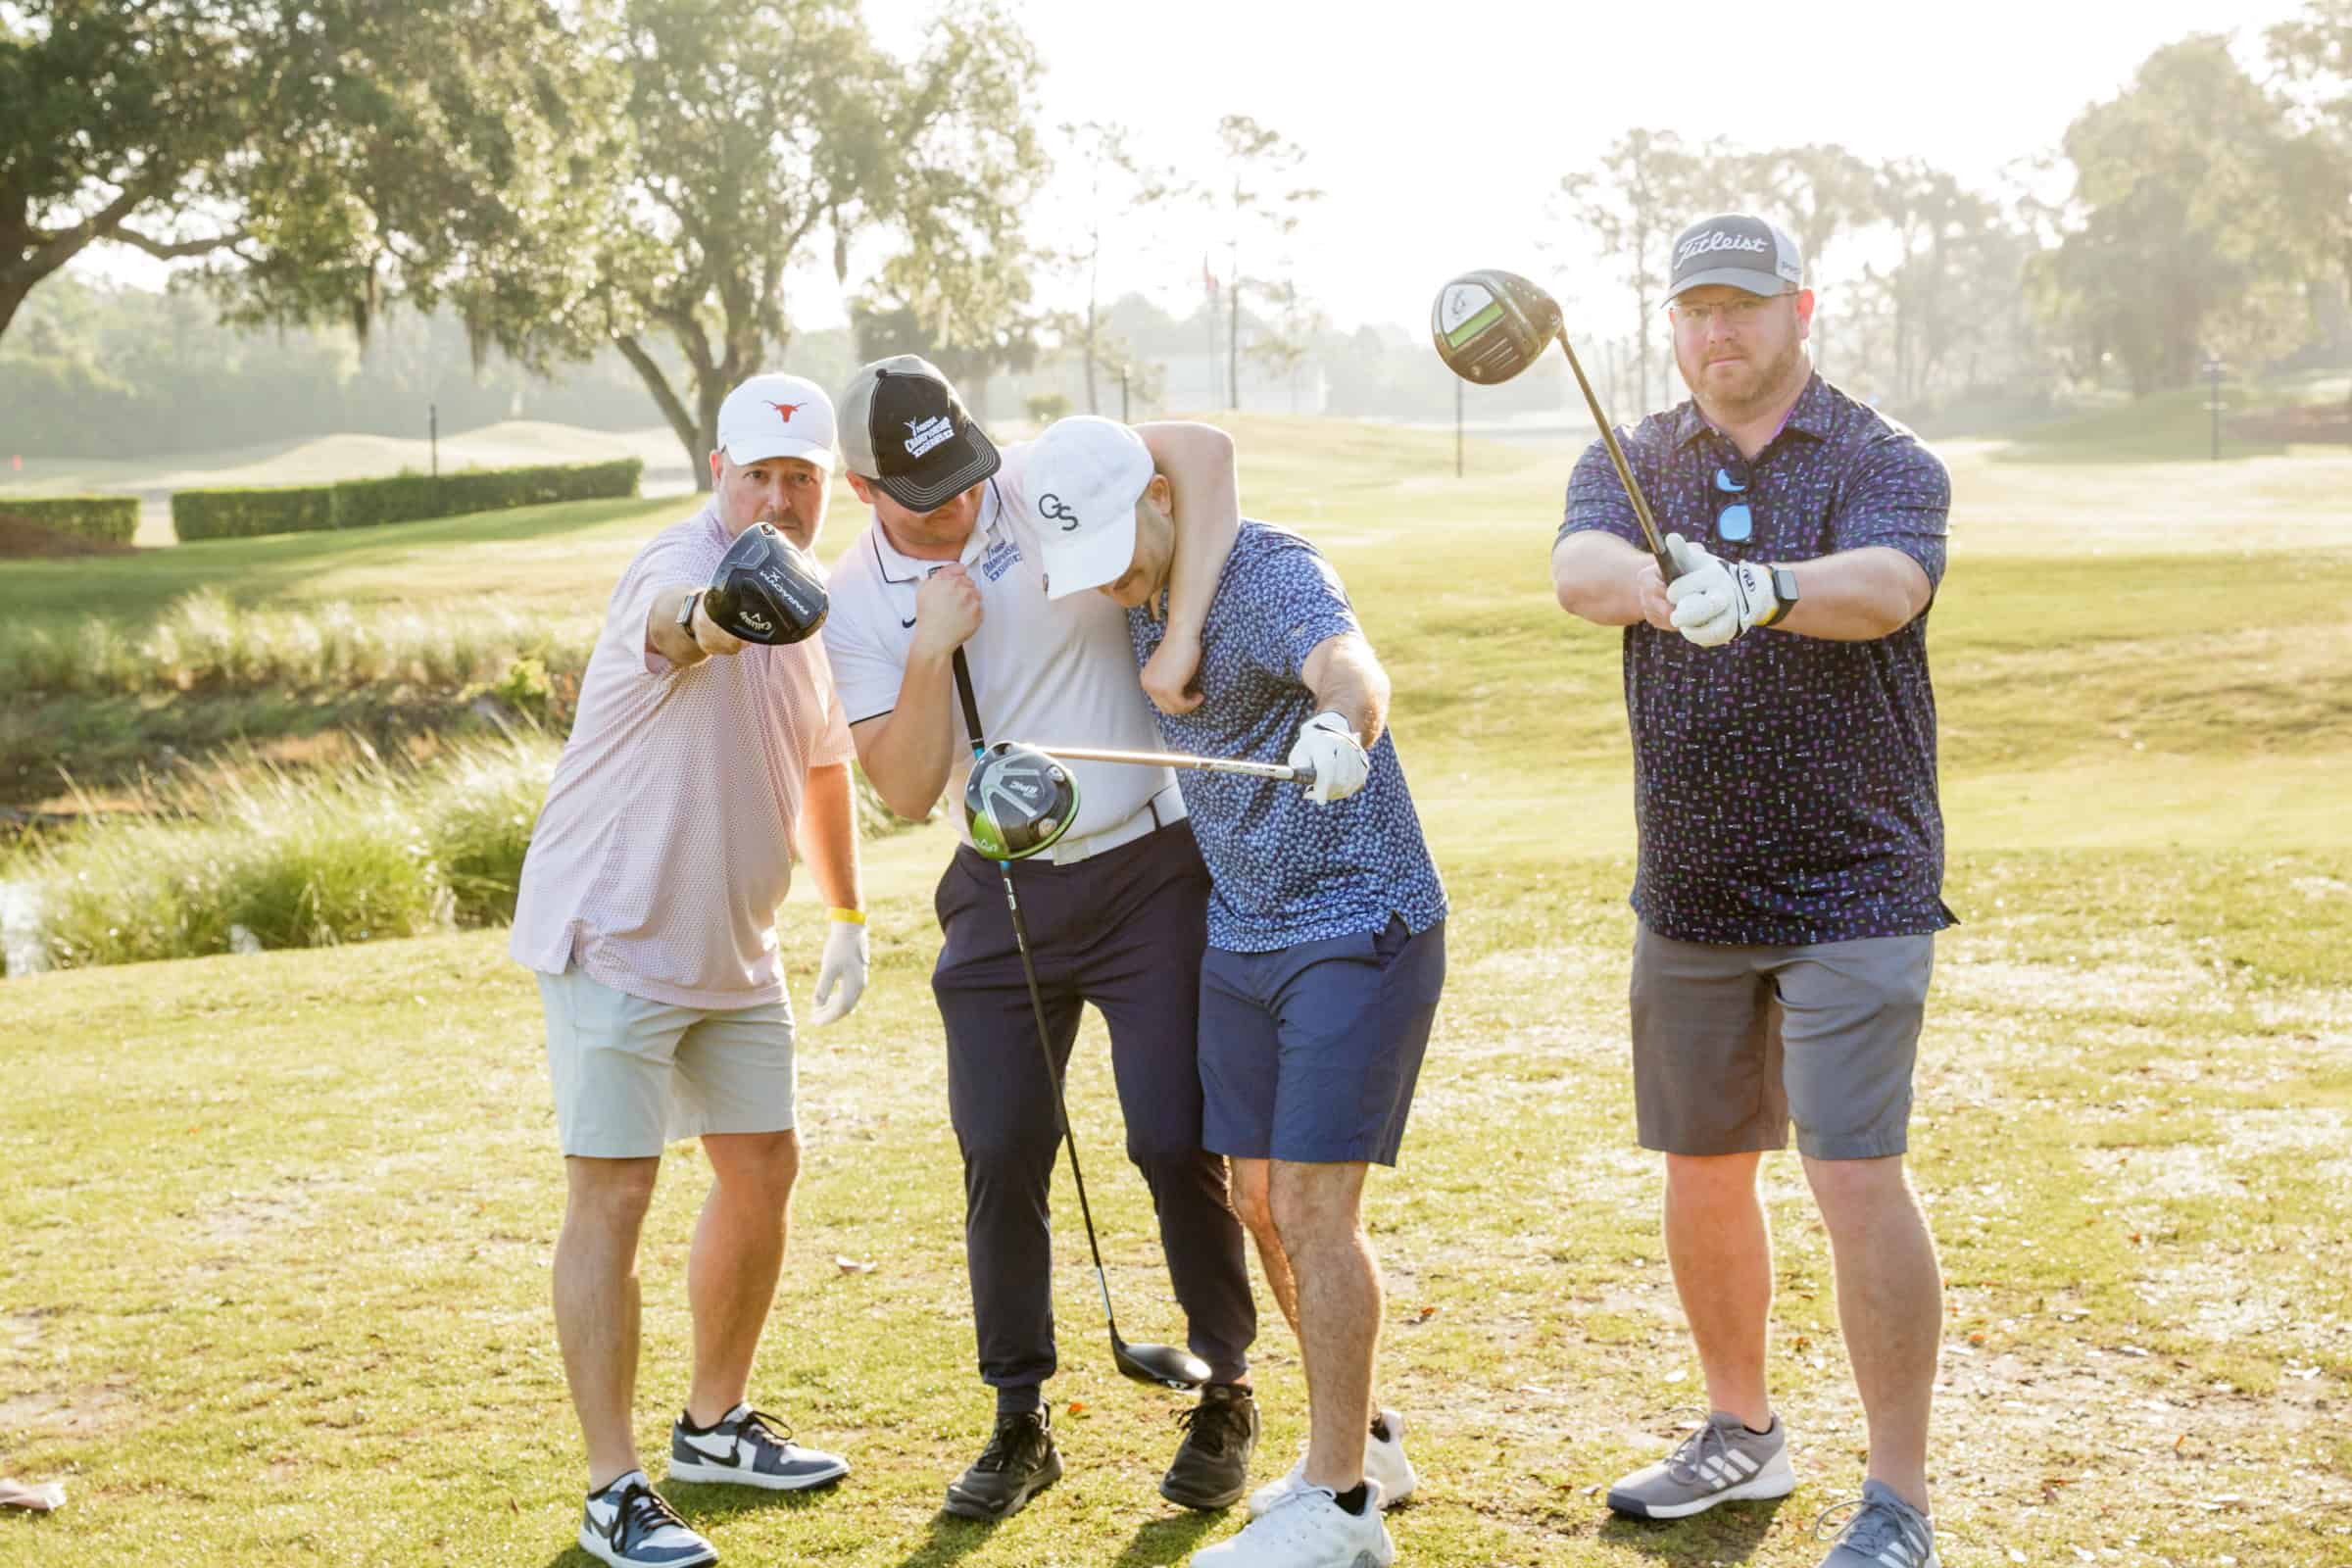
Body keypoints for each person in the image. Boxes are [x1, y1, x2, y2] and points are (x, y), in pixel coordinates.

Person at [1549, 213, 1953, 1568]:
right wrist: (1670, 598)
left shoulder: (1881, 456)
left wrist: (1765, 589)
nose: (1716, 334)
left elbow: (1890, 586)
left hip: (1858, 877)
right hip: (1693, 884)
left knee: (1852, 1174)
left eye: (1742, 307)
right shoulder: (1638, 455)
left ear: (1802, 309)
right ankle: (1742, 1432)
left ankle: (1896, 1500)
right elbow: (1580, 571)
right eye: (1693, 312)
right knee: (1706, 1171)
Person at [818, 358, 1262, 1521]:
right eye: (925, 494)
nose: (962, 502)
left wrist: (1185, 637)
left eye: (964, 471)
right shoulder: (853, 602)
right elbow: (909, 789)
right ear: (861, 487)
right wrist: (928, 650)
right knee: (1003, 1144)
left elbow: (1205, 455)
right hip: (1001, 885)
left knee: (1175, 1137)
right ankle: (1021, 1419)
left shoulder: (1040, 480)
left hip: (1147, 867)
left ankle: (1226, 1387)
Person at [1024, 416, 1446, 1568]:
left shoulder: (1265, 574)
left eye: (1119, 543)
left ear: (1161, 497)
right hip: (1244, 929)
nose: (1107, 577)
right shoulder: (1150, 591)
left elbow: (1351, 664)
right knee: (1258, 1202)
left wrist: (1337, 724)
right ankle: (1361, 1442)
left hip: (1357, 920)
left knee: (1315, 1211)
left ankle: (1345, 1506)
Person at [510, 371, 869, 1568]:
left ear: (826, 483)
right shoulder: (677, 561)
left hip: (738, 945)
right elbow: (677, 622)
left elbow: (824, 769)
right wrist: (721, 617)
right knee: (612, 1194)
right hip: (619, 928)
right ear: (717, 469)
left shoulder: (810, 604)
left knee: (764, 1166)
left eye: (801, 476)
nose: (779, 494)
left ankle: (713, 1424)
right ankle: (613, 1486)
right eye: (758, 472)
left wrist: (849, 913)